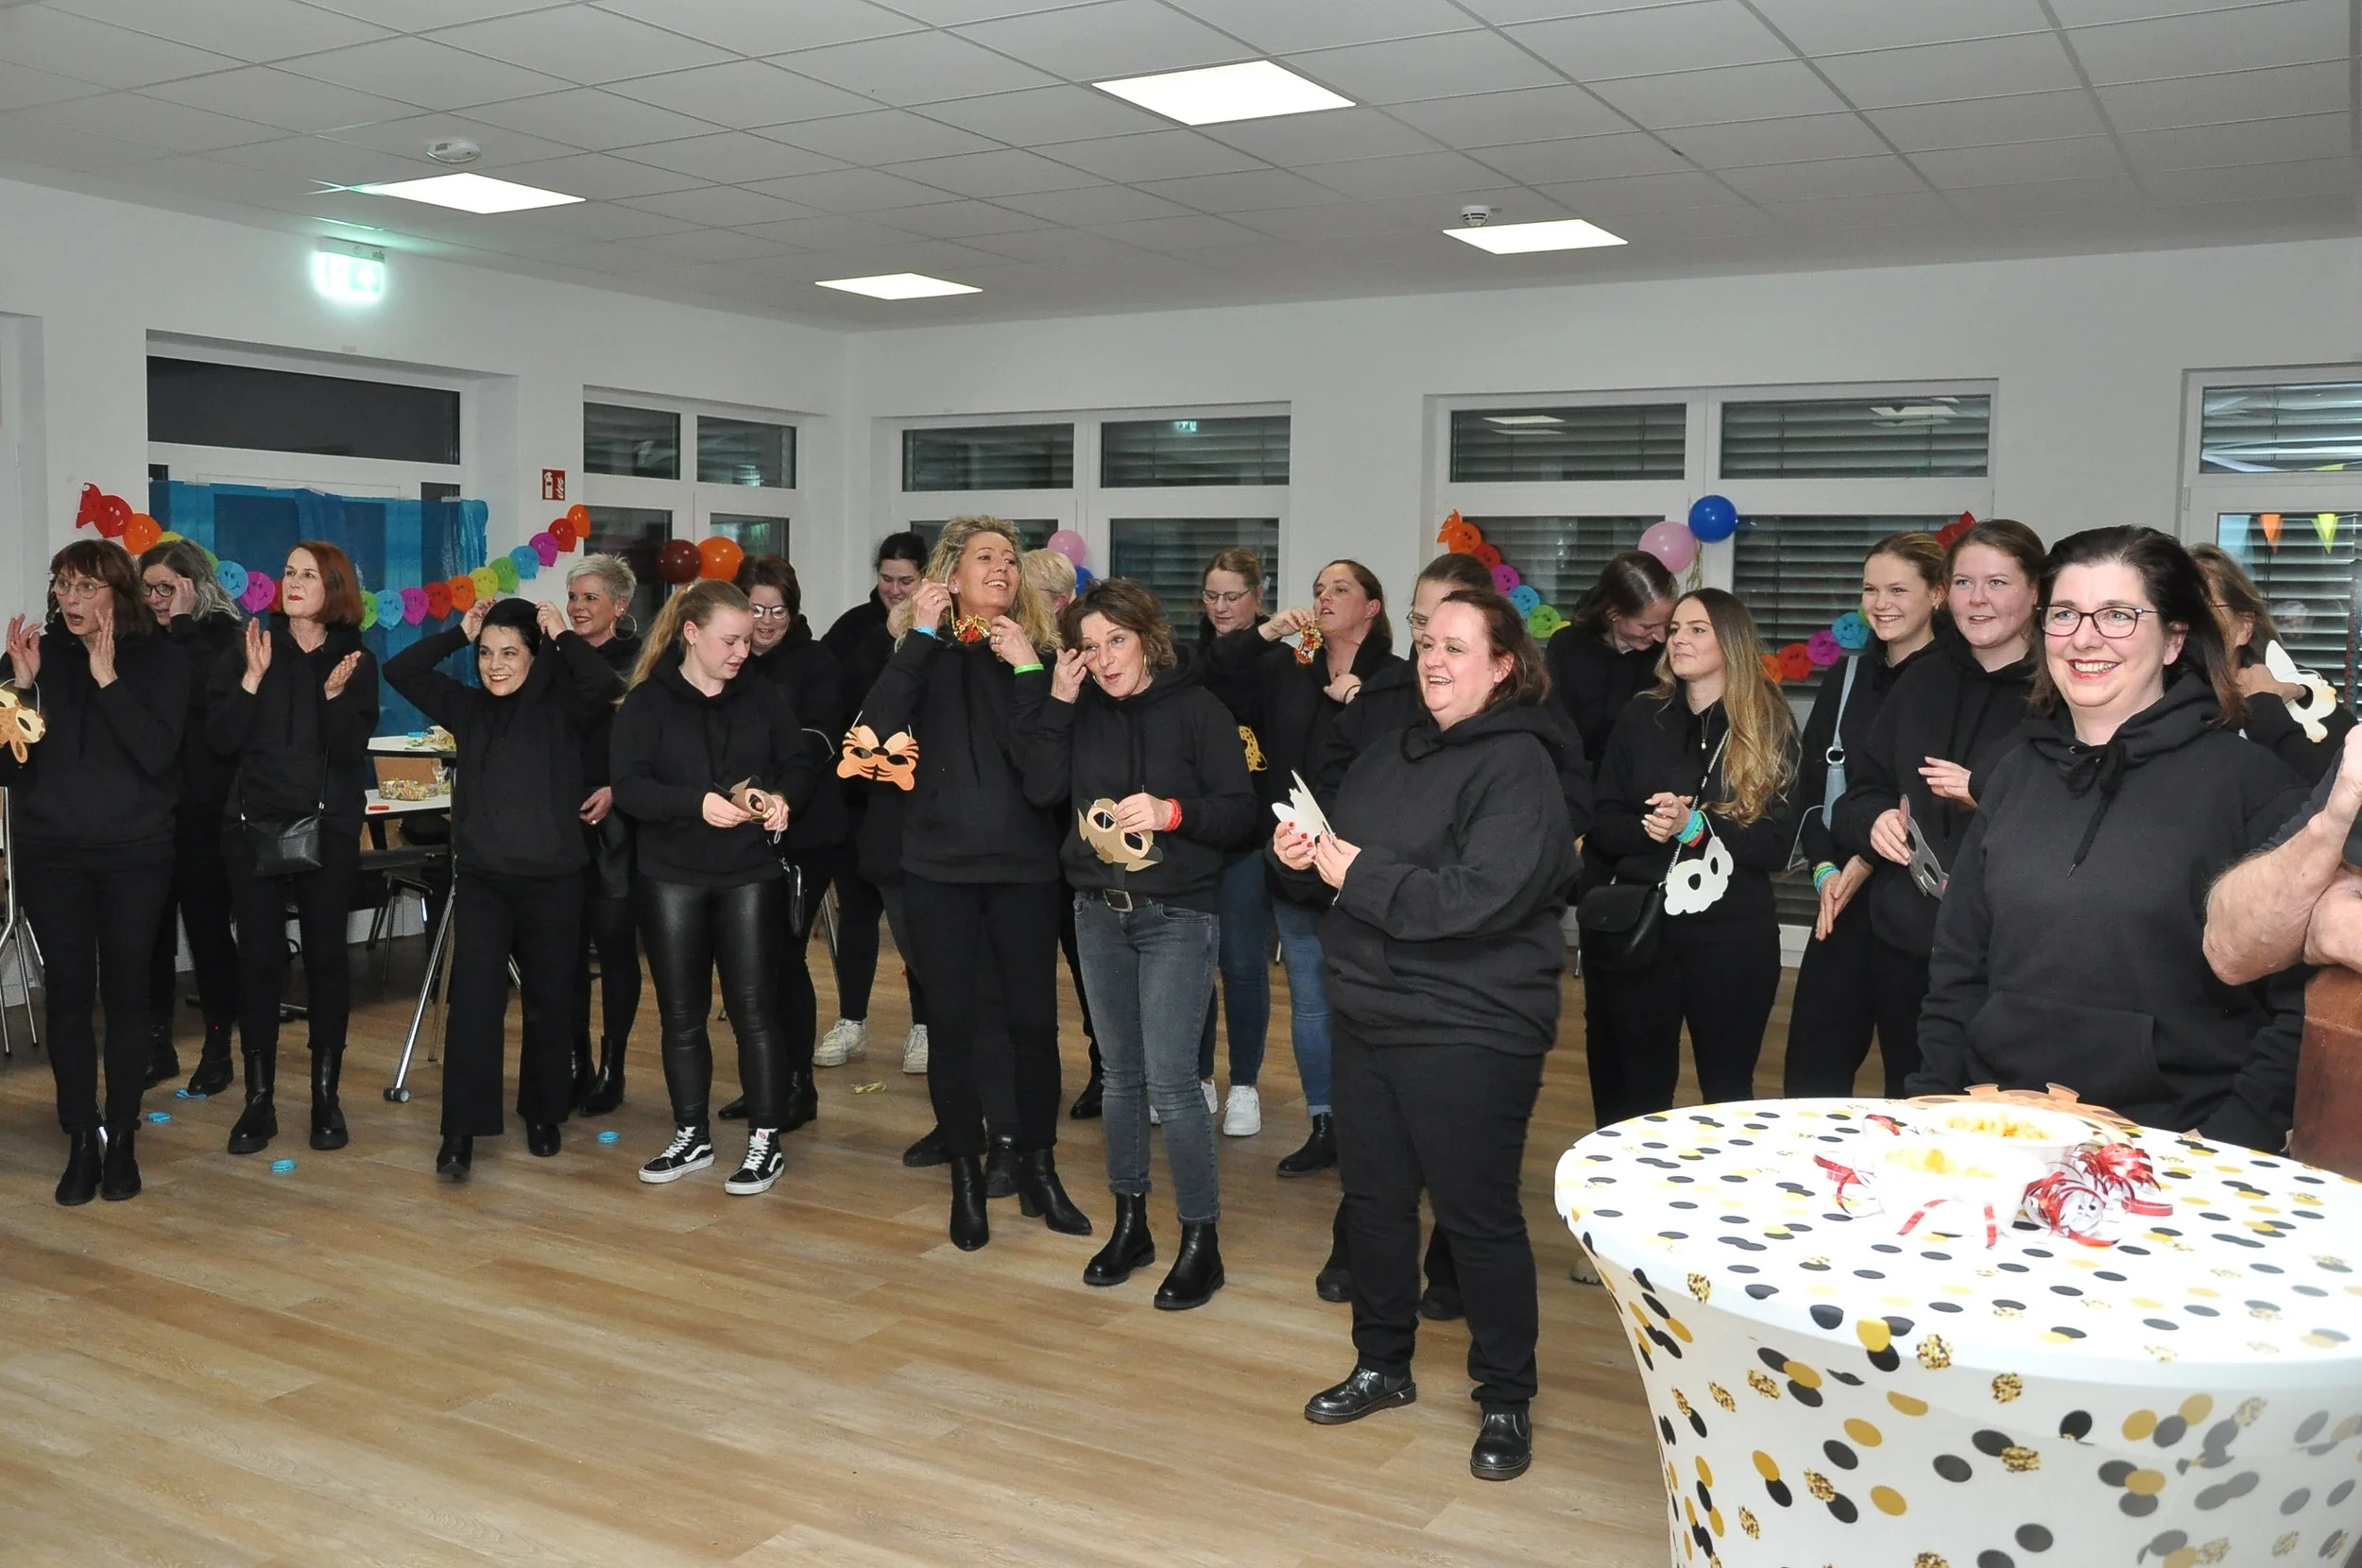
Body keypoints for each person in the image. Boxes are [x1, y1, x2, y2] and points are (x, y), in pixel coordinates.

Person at [1274, 588, 1580, 1484]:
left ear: (1504, 666)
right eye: (1428, 643)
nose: (1435, 660)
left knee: (1475, 1216)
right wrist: (1302, 859)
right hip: (1372, 1009)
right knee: (1373, 1202)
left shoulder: (1520, 765)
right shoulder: (1388, 751)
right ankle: (1382, 1363)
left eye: (1456, 646)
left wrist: (1357, 874)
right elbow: (1341, 865)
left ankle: (1506, 1397)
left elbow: (1477, 897)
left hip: (1472, 1023)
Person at [1913, 528, 2305, 1150]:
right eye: (2065, 614)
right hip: (1999, 1127)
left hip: (2171, 1143)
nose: (2085, 638)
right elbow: (1958, 965)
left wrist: (2233, 1132)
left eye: (2119, 615)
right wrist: (1932, 1100)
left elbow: (2303, 997)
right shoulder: (2014, 772)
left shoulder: (2250, 784)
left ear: (2174, 638)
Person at [1019, 578, 1256, 1306]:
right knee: (1120, 1077)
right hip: (1096, 912)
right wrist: (1059, 700)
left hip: (1177, 914)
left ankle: (1200, 1241)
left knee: (1172, 1082)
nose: (1104, 659)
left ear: (1147, 639)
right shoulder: (1078, 708)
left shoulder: (1198, 709)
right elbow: (1039, 789)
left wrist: (1172, 812)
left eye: (1115, 641)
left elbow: (1240, 814)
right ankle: (1131, 1224)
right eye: (1089, 647)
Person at [855, 516, 1088, 1251]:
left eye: (1010, 559)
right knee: (952, 1027)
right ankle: (965, 1174)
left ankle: (1039, 1168)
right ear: (951, 578)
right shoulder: (921, 655)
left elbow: (1045, 779)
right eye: (985, 557)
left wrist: (1028, 673)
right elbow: (873, 735)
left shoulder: (1037, 657)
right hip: (938, 872)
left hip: (1025, 871)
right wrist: (921, 636)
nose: (1002, 568)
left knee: (1034, 1028)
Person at [385, 595, 625, 1179]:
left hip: (554, 882)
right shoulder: (468, 708)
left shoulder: (565, 706)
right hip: (484, 883)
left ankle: (543, 1114)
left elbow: (603, 681)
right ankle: (459, 1133)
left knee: (550, 1003)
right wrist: (459, 632)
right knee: (474, 1007)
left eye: (510, 653)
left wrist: (561, 633)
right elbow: (401, 670)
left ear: (535, 656)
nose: (494, 665)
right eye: (486, 653)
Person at [1829, 519, 2044, 1095]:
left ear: (2036, 592)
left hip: (2012, 960)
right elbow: (1861, 792)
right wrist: (1873, 821)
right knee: (1912, 1100)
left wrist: (1985, 794)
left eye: (1997, 583)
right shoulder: (1920, 681)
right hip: (1907, 945)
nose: (1978, 599)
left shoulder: (2064, 693)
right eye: (1966, 583)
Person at [610, 579, 811, 1195]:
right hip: (670, 874)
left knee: (754, 1011)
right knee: (681, 1014)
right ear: (691, 634)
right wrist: (694, 803)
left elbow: (800, 761)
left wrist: (783, 799)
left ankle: (765, 1140)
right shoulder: (647, 703)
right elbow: (630, 788)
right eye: (731, 641)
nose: (743, 652)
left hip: (749, 872)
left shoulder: (762, 696)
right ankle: (691, 1133)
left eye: (747, 641)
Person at [1203, 558, 1400, 1178]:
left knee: (1373, 998)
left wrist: (1359, 703)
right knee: (1311, 997)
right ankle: (1325, 1124)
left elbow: (1408, 762)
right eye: (1318, 589)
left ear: (1372, 606)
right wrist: (1264, 633)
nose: (1324, 597)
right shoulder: (1288, 671)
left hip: (1371, 865)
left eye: (1341, 588)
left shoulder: (1397, 680)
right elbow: (1215, 677)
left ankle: (1380, 1125)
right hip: (1295, 859)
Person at [2, 541, 187, 1203]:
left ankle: (123, 1138)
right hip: (52, 855)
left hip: (135, 854)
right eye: (62, 585)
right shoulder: (34, 656)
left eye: (85, 587)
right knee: (69, 997)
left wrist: (107, 679)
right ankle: (82, 1138)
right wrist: (22, 688)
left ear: (117, 592)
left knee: (129, 996)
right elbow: (6, 766)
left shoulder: (160, 658)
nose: (69, 599)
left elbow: (158, 755)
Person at [1587, 589, 1799, 1120]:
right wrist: (1654, 829)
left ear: (1731, 642)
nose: (1679, 639)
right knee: (1639, 1096)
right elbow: (1602, 822)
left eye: (1697, 629)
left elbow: (1776, 845)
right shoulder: (1642, 716)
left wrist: (1698, 827)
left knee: (1727, 1094)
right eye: (1676, 629)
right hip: (1645, 932)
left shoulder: (1769, 724)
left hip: (1733, 938)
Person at [209, 540, 378, 1157]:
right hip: (251, 825)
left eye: (308, 574)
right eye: (288, 572)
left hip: (326, 828)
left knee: (327, 960)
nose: (294, 582)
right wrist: (251, 681)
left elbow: (351, 750)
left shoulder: (355, 657)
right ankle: (259, 1101)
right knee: (258, 960)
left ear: (334, 587)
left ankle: (325, 1099)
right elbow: (219, 739)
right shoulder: (250, 645)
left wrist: (330, 698)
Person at [1782, 533, 1946, 1099]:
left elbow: (1936, 801)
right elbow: (1812, 788)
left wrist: (1865, 861)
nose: (1880, 603)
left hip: (1918, 909)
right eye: (1871, 589)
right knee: (1811, 1078)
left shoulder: (1956, 683)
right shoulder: (1846, 678)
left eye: (1898, 589)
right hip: (1841, 907)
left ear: (1937, 595)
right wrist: (1825, 870)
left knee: (1916, 1086)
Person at [1550, 550, 1677, 1133]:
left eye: (1666, 624)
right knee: (1604, 996)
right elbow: (1562, 743)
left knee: (1650, 995)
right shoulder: (1567, 651)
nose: (1660, 637)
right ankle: (1609, 1126)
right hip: (1592, 822)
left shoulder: (1663, 658)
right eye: (1648, 625)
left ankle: (1647, 1122)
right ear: (1612, 614)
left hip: (1650, 820)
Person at [722, 554, 844, 1133]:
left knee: (785, 957)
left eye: (777, 611)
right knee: (748, 962)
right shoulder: (728, 659)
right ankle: (762, 1082)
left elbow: (819, 741)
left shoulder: (816, 661)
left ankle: (798, 1086)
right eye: (755, 609)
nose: (766, 622)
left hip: (805, 831)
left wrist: (774, 792)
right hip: (740, 829)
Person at [818, 531, 930, 1073]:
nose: (895, 589)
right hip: (856, 801)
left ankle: (925, 1026)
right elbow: (843, 699)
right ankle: (851, 1021)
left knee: (915, 923)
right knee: (858, 914)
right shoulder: (852, 627)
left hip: (912, 803)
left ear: (925, 579)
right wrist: (883, 637)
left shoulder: (940, 632)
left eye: (906, 580)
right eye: (887, 579)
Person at [140, 538, 243, 1099]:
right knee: (150, 937)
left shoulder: (224, 637)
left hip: (207, 815)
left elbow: (206, 697)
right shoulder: (141, 640)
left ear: (193, 586)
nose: (156, 599)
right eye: (148, 588)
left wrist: (181, 623)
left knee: (208, 935)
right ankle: (157, 1045)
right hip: (152, 815)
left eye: (167, 588)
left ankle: (218, 1047)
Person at [1182, 546, 1275, 1136]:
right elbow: (1212, 668)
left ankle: (1244, 1084)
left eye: (1232, 596)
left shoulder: (1279, 660)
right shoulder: (1187, 657)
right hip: (1194, 831)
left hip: (1251, 837)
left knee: (1240, 962)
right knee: (1192, 964)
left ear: (1257, 597)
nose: (1220, 607)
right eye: (1211, 596)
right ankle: (1198, 1077)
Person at [1019, 546, 1104, 1125]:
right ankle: (1036, 1078)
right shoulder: (1011, 657)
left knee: (1089, 968)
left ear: (1061, 601)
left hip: (1079, 840)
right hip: (1027, 842)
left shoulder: (1084, 663)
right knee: (1030, 976)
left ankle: (1106, 1069)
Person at [564, 554, 642, 1113]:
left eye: (590, 598)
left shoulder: (642, 660)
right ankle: (576, 1062)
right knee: (564, 948)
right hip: (560, 817)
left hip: (617, 818)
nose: (577, 607)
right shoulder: (554, 657)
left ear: (620, 605)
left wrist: (618, 787)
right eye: (573, 597)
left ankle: (614, 1065)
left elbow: (648, 739)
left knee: (614, 946)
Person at [2191, 542, 2357, 783]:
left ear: (2244, 627)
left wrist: (2264, 706)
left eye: (2204, 611)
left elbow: (2329, 792)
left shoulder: (2308, 694)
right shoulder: (2160, 707)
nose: (2185, 627)